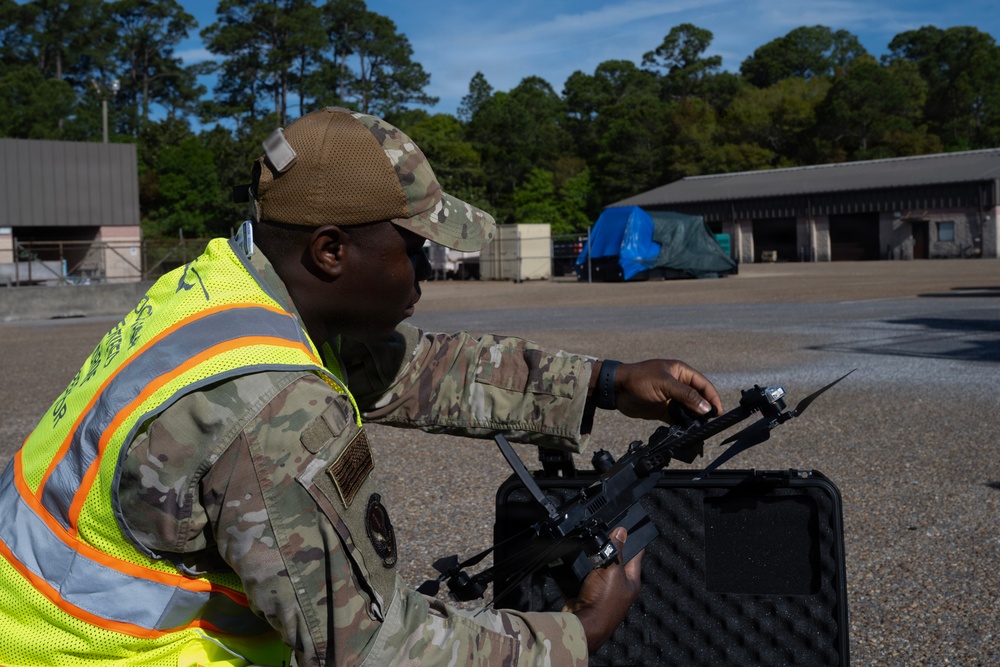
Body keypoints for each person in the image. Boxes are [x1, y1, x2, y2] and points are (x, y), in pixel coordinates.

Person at [0, 106, 722, 667]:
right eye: (415, 249)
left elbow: (419, 369)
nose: (428, 272)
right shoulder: (274, 404)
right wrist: (576, 634)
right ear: (331, 250)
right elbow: (372, 649)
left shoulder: (226, 289)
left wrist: (605, 383)